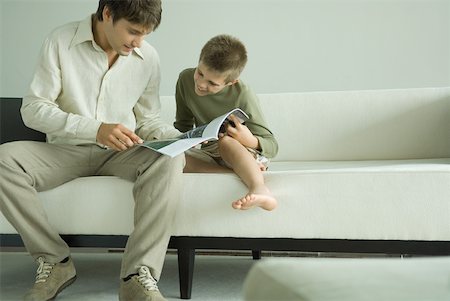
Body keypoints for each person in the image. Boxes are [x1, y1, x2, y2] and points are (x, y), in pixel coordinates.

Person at [0, 1, 184, 300]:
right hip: (64, 151)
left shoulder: (147, 57)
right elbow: (33, 109)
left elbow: (149, 120)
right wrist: (94, 129)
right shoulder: (60, 41)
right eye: (133, 31)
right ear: (108, 13)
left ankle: (137, 275)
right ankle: (55, 260)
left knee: (169, 158)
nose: (139, 42)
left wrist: (183, 138)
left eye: (145, 35)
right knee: (3, 160)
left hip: (122, 151)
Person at [174, 34, 278, 211]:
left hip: (240, 150)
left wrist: (248, 139)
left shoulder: (242, 94)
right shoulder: (185, 79)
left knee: (227, 142)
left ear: (231, 82)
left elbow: (272, 146)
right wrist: (184, 141)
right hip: (209, 153)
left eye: (212, 83)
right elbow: (182, 125)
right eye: (200, 73)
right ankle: (237, 174)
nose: (200, 83)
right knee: (174, 160)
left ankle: (260, 189)